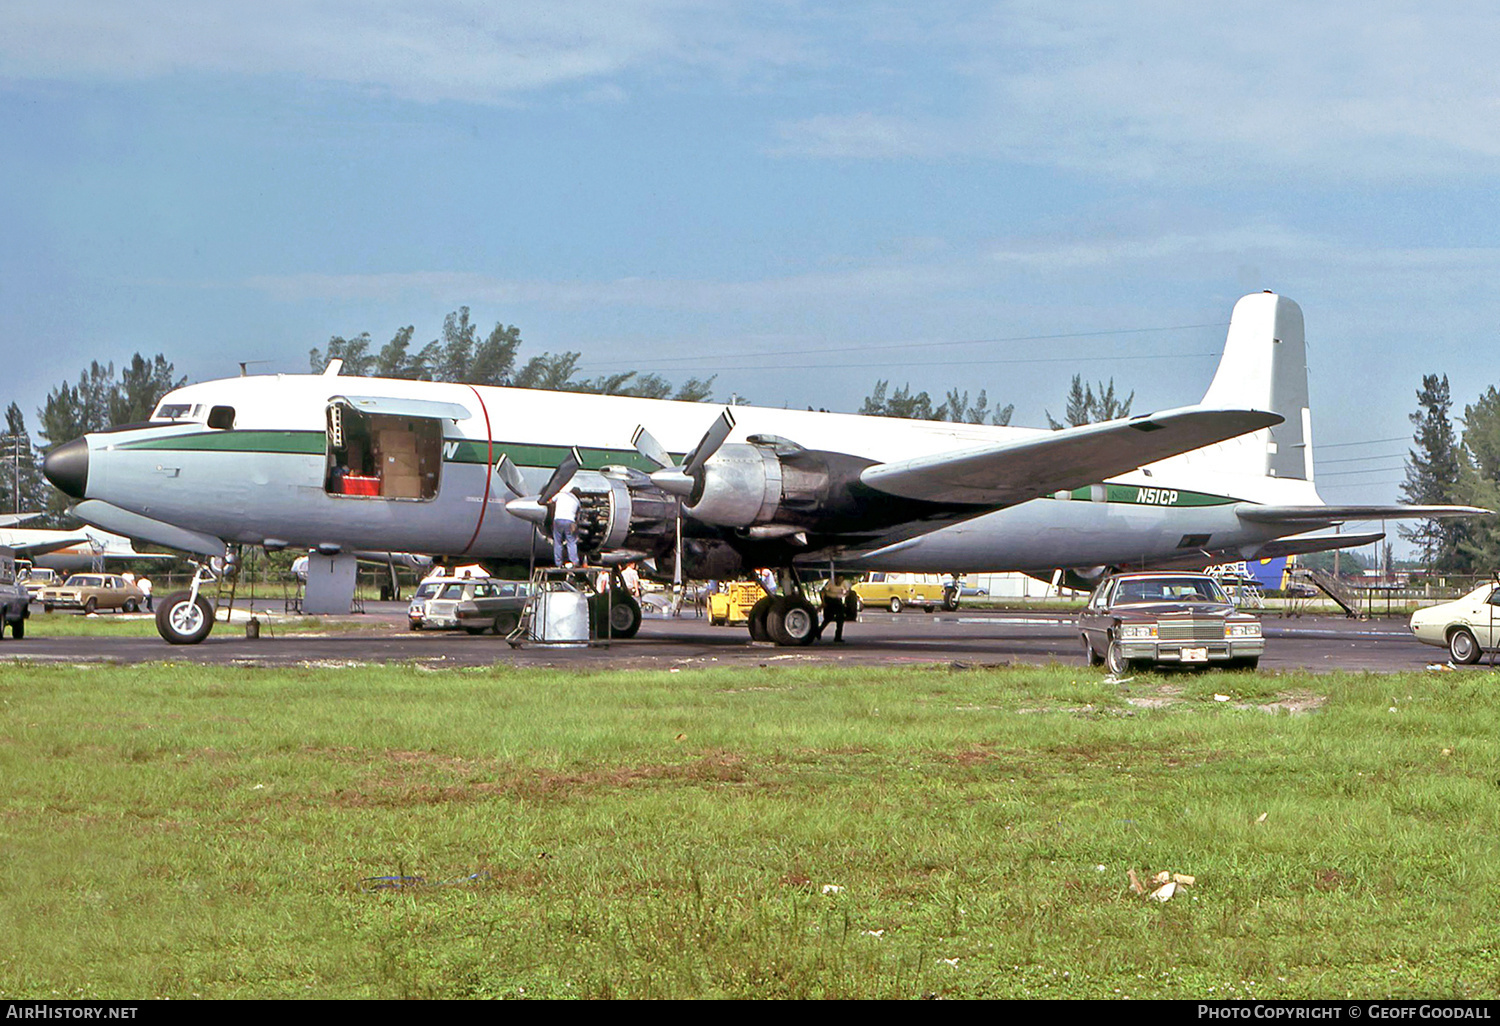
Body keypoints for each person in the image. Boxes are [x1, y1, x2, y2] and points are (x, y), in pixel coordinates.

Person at [551, 486, 581, 567]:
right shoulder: (577, 501)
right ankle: (574, 562)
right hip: (570, 521)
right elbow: (578, 515)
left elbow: (551, 500)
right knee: (571, 542)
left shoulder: (561, 495)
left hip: (558, 520)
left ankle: (558, 563)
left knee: (558, 542)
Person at [820, 577, 850, 642]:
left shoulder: (844, 583)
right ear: (835, 579)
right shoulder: (830, 582)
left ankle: (838, 637)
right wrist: (823, 602)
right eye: (838, 580)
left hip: (838, 600)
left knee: (840, 618)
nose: (839, 582)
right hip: (829, 599)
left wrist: (844, 595)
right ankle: (818, 632)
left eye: (841, 580)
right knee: (828, 618)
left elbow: (848, 592)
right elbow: (822, 592)